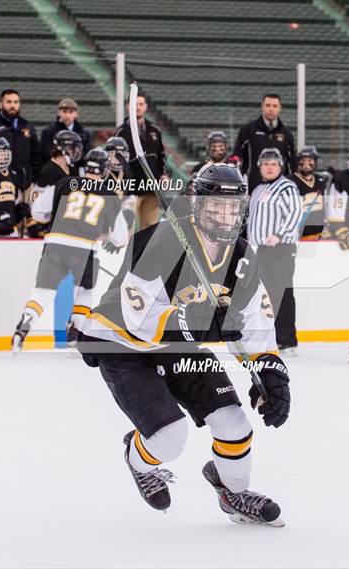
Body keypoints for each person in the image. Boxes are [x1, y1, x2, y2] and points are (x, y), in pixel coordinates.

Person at [77, 163, 290, 526]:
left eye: (233, 207)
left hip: (179, 348)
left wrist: (272, 372)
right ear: (197, 205)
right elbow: (137, 319)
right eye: (216, 207)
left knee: (235, 425)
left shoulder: (242, 257)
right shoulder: (158, 242)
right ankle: (137, 456)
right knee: (170, 438)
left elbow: (256, 322)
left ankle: (231, 492)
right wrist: (202, 326)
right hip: (125, 347)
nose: (225, 216)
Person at [11, 148, 129, 351]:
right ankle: (74, 328)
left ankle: (25, 323)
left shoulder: (66, 182)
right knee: (86, 290)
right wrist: (105, 234)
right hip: (84, 247)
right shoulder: (109, 194)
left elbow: (38, 211)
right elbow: (120, 238)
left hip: (55, 242)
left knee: (43, 291)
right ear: (104, 169)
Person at [247, 148, 302, 355]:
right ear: (260, 167)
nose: (269, 167)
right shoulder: (260, 188)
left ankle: (287, 340)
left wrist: (279, 234)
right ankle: (269, 337)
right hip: (261, 249)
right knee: (264, 295)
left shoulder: (287, 187)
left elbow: (296, 213)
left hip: (280, 248)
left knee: (282, 293)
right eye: (265, 164)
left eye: (273, 164)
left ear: (280, 166)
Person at [115, 92, 167, 229]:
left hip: (151, 188)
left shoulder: (155, 130)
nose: (137, 107)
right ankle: (126, 251)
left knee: (150, 229)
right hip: (130, 188)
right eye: (134, 104)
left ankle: (147, 251)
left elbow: (161, 154)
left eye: (141, 104)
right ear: (127, 107)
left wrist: (163, 174)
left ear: (146, 107)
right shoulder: (121, 132)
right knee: (127, 228)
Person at [232, 94, 295, 192]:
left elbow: (291, 164)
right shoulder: (248, 130)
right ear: (262, 106)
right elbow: (237, 157)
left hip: (279, 189)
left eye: (274, 106)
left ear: (280, 109)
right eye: (268, 105)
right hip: (253, 187)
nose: (271, 109)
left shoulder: (287, 134)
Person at [27, 130, 84, 238]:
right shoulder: (48, 171)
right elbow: (35, 201)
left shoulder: (72, 169)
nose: (75, 151)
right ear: (63, 149)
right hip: (51, 226)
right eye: (72, 148)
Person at [0, 89, 41, 189]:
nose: (12, 105)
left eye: (16, 102)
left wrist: (32, 178)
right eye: (9, 102)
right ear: (0, 104)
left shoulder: (28, 127)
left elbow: (36, 156)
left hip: (25, 186)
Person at [0, 137, 30, 237]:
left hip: (10, 225)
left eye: (3, 153)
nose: (0, 156)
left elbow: (16, 197)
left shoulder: (14, 175)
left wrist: (19, 208)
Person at [289, 146, 329, 240]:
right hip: (297, 237)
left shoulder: (320, 180)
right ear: (298, 161)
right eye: (303, 159)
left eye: (310, 160)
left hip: (319, 236)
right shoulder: (289, 182)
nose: (306, 163)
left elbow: (326, 206)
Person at [103, 136, 136, 243]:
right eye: (114, 155)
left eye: (121, 156)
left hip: (118, 209)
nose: (118, 159)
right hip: (101, 208)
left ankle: (127, 244)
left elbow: (130, 199)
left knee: (130, 215)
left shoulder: (127, 173)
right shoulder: (103, 172)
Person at [40, 98, 91, 165]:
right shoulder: (49, 131)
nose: (67, 116)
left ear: (76, 114)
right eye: (64, 111)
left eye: (71, 112)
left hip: (76, 170)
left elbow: (86, 154)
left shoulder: (84, 133)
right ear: (59, 113)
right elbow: (46, 153)